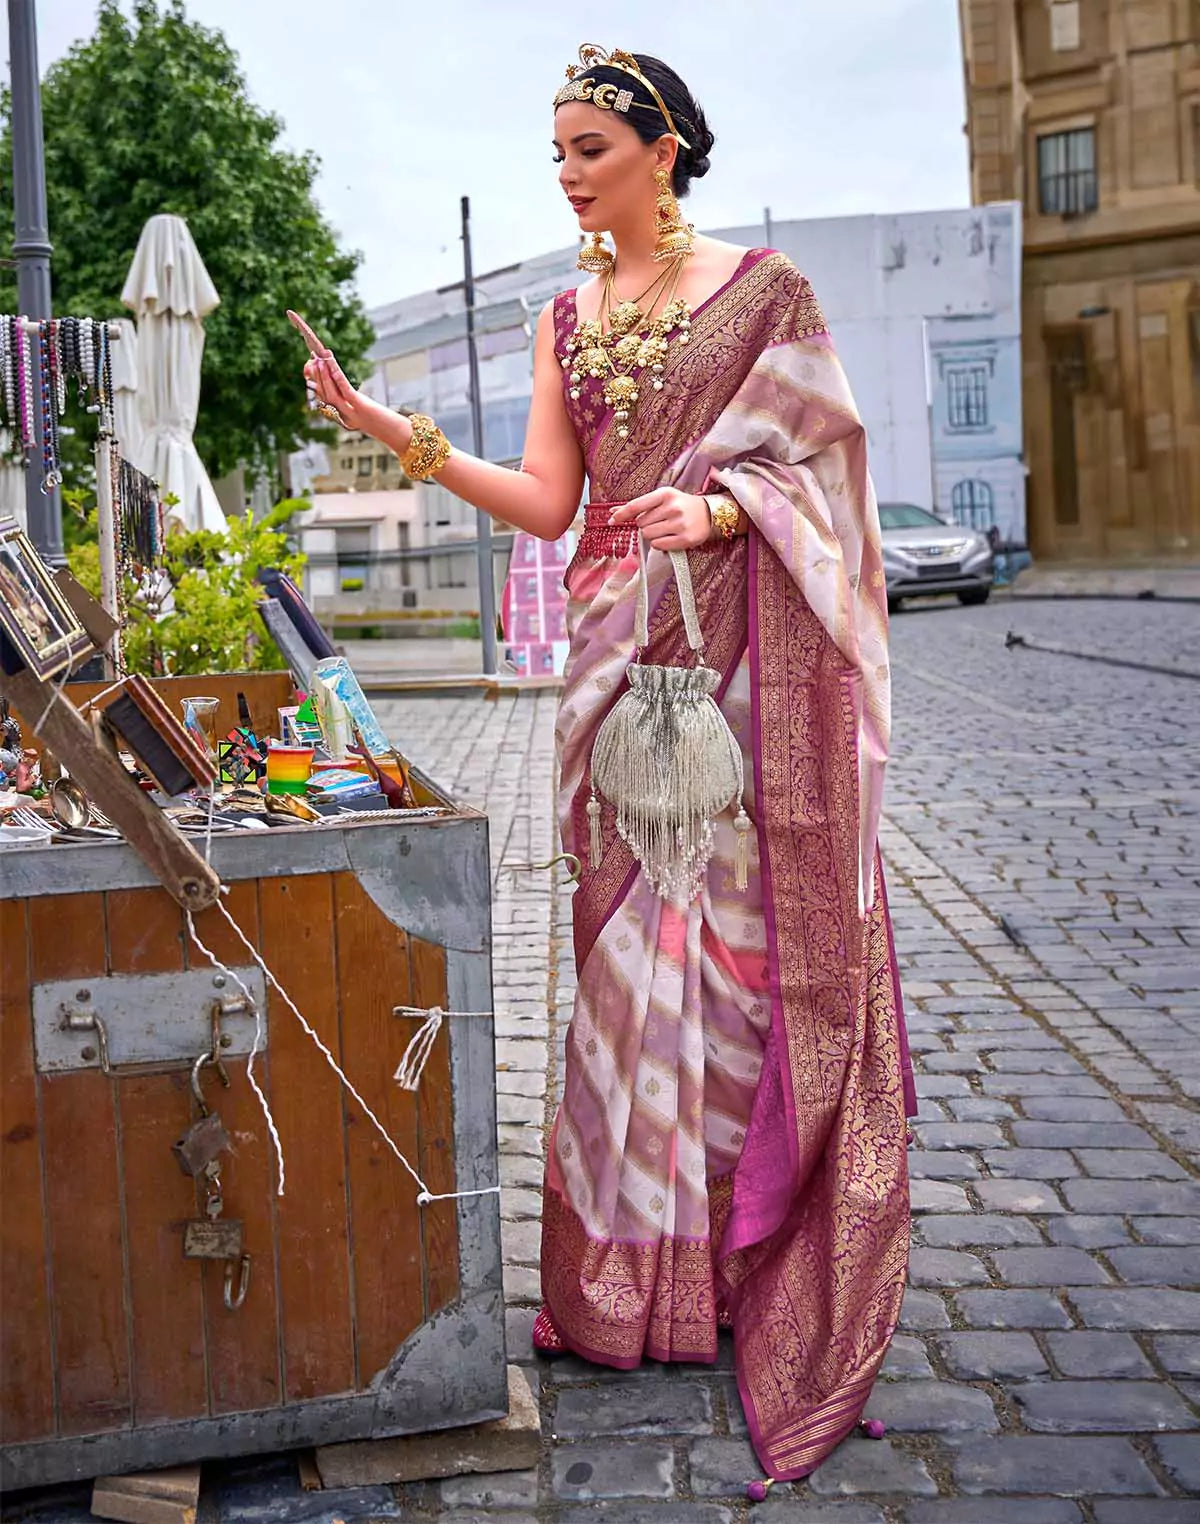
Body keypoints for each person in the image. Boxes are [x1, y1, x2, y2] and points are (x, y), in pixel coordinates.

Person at [304, 44, 916, 1489]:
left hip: (736, 674)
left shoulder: (765, 295)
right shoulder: (564, 317)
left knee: (735, 966)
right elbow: (548, 502)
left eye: (590, 147)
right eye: (559, 153)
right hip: (609, 667)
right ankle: (627, 1284)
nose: (569, 174)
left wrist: (722, 511)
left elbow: (826, 474)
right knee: (622, 966)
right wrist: (397, 436)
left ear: (661, 148)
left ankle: (734, 1260)